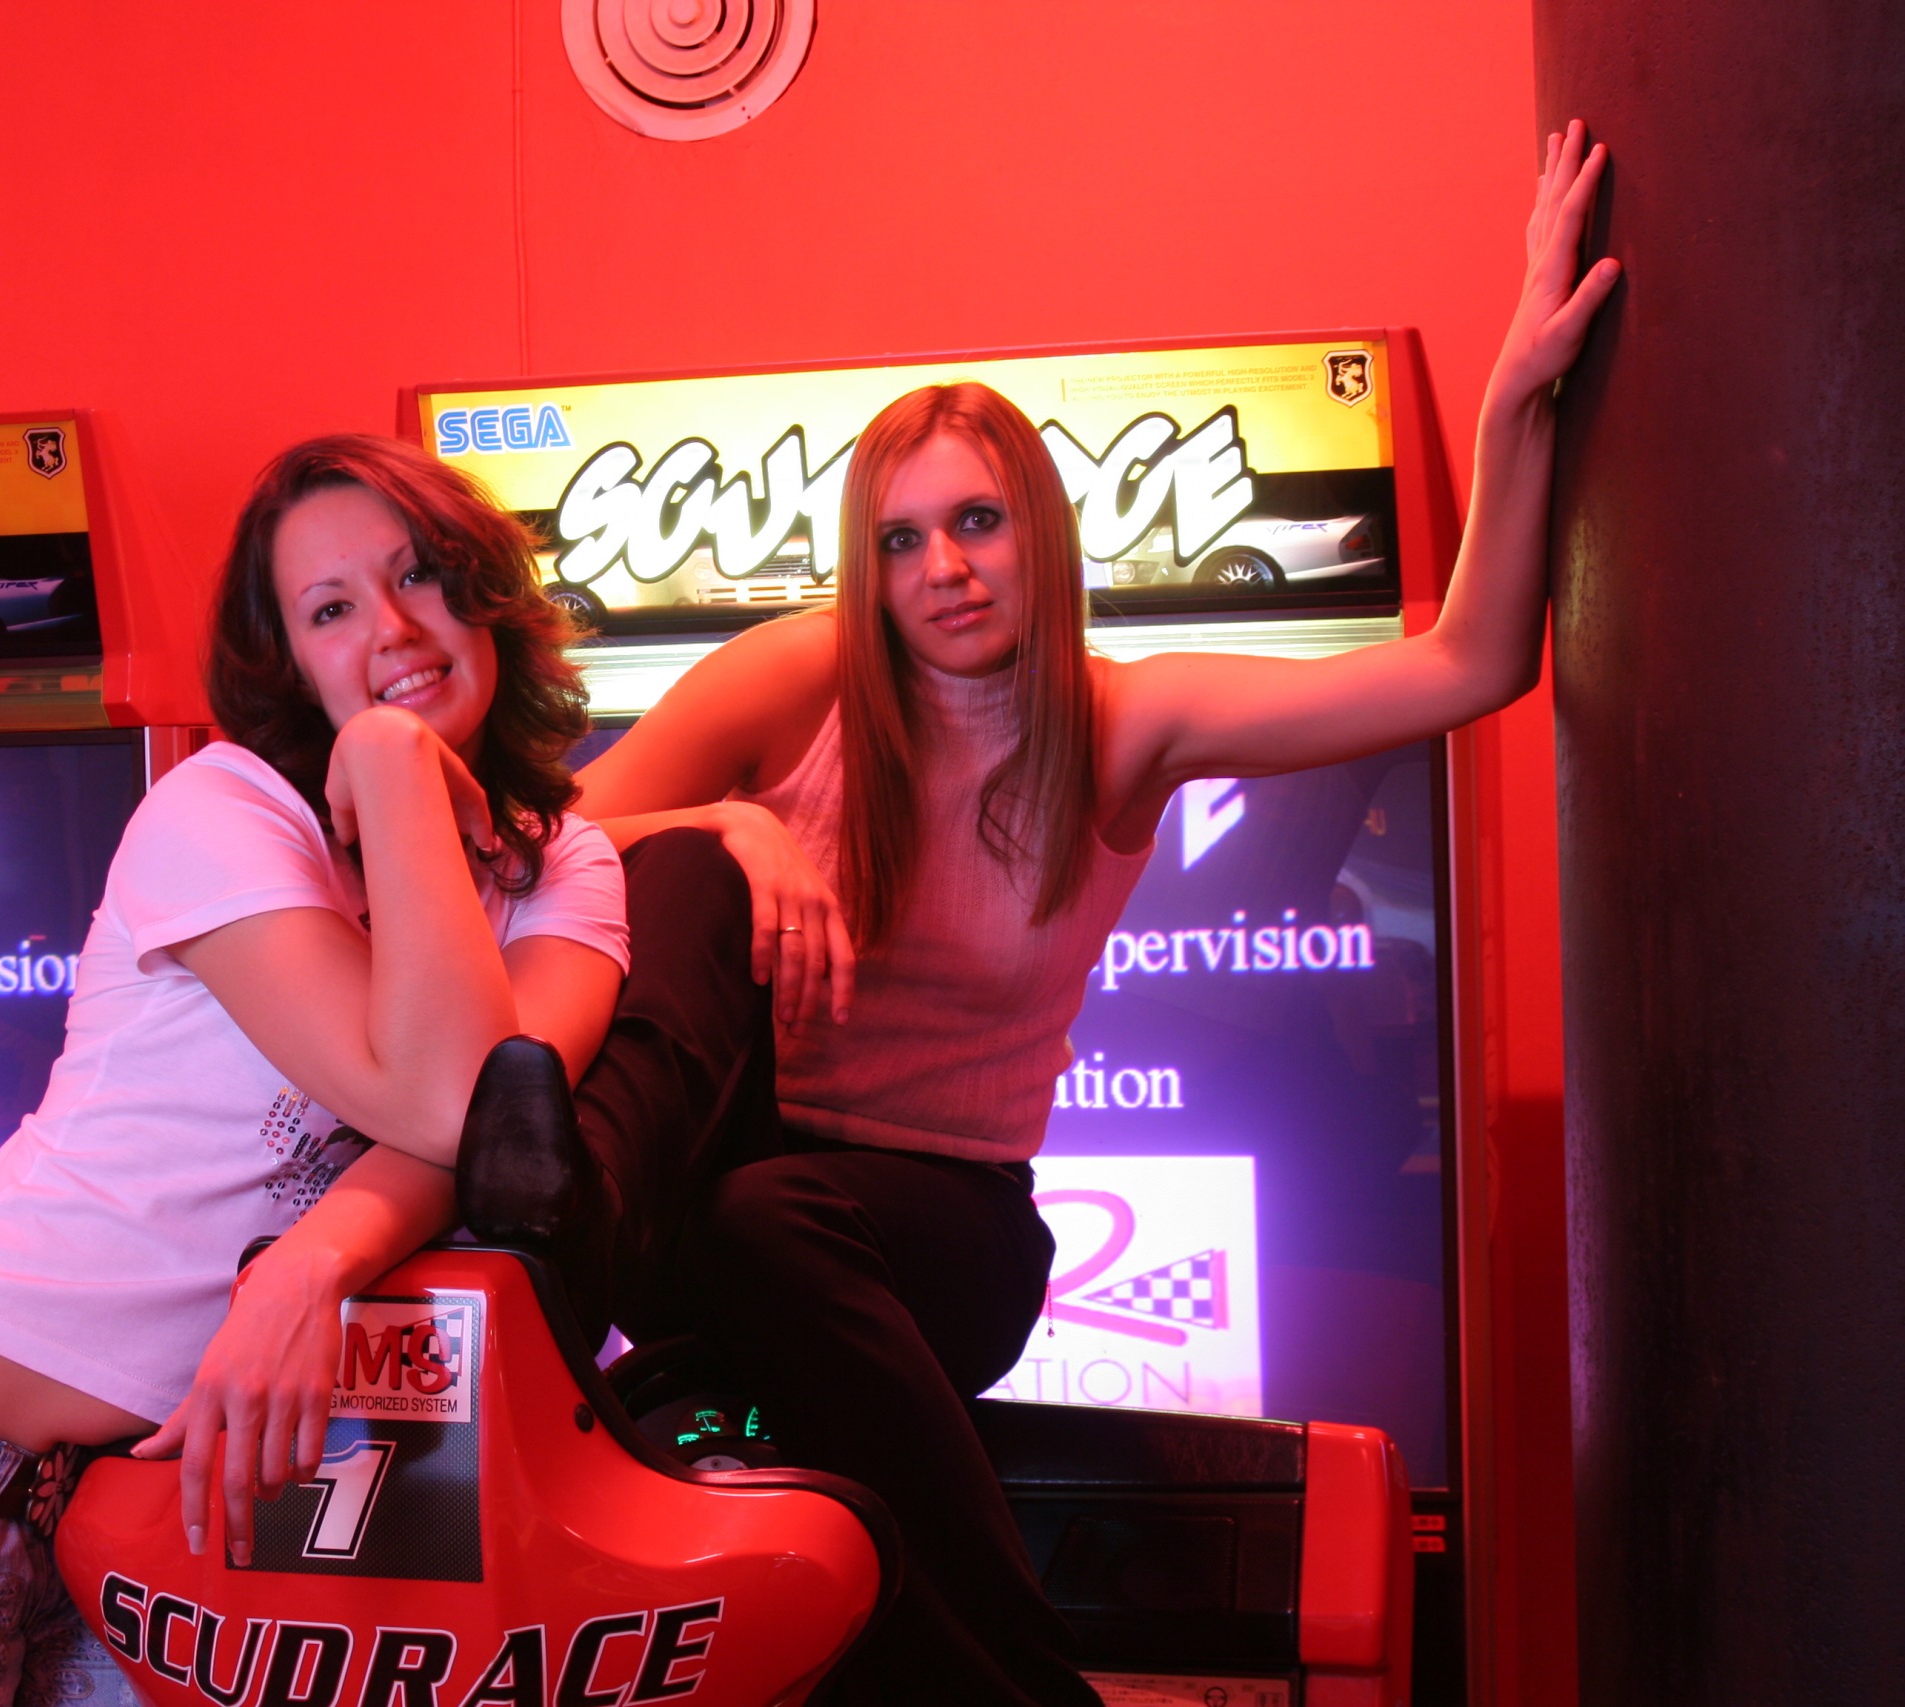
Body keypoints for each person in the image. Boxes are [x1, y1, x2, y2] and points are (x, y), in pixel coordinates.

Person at [571, 124, 1620, 1705]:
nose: (943, 567)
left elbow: (1472, 662)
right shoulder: (802, 677)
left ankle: (1029, 1686)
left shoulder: (1122, 723)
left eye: (976, 522)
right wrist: (731, 821)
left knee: (758, 1234)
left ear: (1039, 532)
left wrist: (1517, 390)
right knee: (682, 909)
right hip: (723, 1197)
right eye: (901, 539)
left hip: (943, 1230)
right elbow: (558, 854)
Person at [0, 434, 635, 1706]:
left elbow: (488, 1126)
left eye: (418, 574)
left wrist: (314, 1260)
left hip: (138, 1506)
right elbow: (441, 1105)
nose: (390, 628)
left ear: (485, 591)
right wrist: (387, 757)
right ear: (287, 660)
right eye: (329, 610)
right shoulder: (226, 807)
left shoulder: (564, 866)